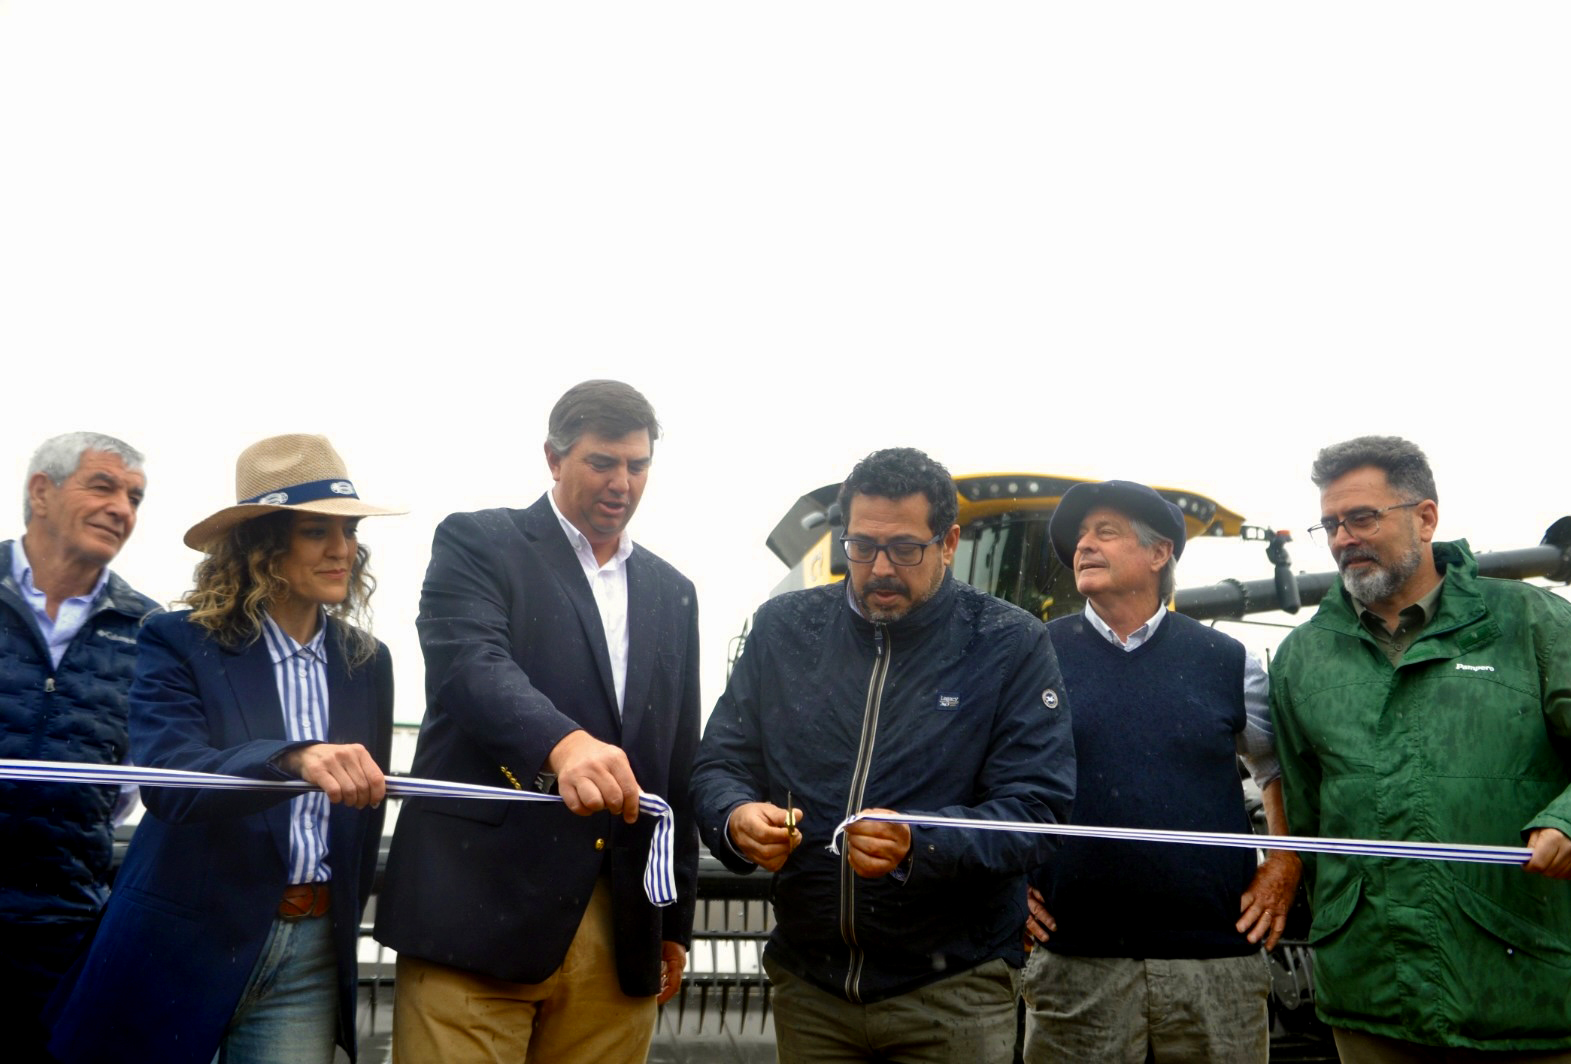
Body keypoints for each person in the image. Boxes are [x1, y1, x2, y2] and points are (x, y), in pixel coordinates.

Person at [693, 446, 1075, 1064]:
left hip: (954, 995)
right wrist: (735, 819)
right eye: (861, 546)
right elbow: (720, 763)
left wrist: (918, 842)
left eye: (904, 548)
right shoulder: (783, 629)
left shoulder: (1009, 643)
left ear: (949, 542)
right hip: (810, 990)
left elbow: (1036, 810)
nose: (879, 569)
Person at [47, 433, 401, 1064]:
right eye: (317, 532)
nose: (343, 550)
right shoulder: (179, 639)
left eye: (349, 532)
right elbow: (169, 782)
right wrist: (292, 756)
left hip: (313, 954)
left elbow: (362, 811)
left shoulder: (367, 663)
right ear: (263, 544)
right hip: (184, 941)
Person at [376, 380, 700, 1064]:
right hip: (476, 912)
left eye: (637, 466)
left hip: (621, 933)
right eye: (602, 462)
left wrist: (675, 923)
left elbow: (677, 763)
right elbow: (469, 667)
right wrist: (565, 745)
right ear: (553, 458)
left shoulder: (675, 593)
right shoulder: (478, 541)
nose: (622, 482)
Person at [1272, 435, 1571, 1062]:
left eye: (1362, 517)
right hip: (1370, 998)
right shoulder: (1302, 658)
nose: (1343, 538)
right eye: (1331, 524)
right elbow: (1311, 820)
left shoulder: (1532, 623)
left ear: (1425, 517)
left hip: (1520, 987)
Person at [1021, 479, 1301, 1064]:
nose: (1084, 546)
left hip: (1217, 966)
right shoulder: (1033, 656)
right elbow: (995, 781)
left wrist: (1282, 861)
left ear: (1158, 553)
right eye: (1079, 537)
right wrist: (1005, 888)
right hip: (1075, 965)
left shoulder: (1227, 661)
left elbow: (1274, 766)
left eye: (1106, 532)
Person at [0, 431, 156, 1062]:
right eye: (103, 486)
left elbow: (129, 786)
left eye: (135, 497)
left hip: (61, 929)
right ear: (42, 491)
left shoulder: (149, 629)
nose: (123, 508)